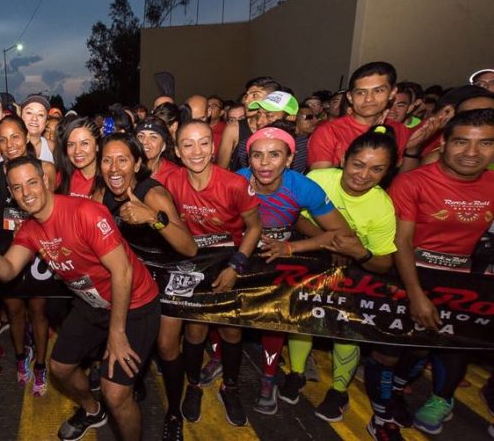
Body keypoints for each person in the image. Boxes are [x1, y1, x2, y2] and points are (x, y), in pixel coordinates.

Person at [0, 156, 161, 441]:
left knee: (116, 393)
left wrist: (116, 332)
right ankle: (92, 410)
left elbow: (122, 271)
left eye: (32, 182)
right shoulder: (31, 229)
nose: (26, 192)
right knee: (60, 367)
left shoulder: (85, 212)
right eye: (17, 187)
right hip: (92, 304)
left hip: (134, 303)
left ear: (45, 181)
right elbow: (7, 271)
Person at [376, 109, 494, 439]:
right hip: (413, 272)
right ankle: (385, 403)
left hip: (468, 279)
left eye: (485, 143)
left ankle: (435, 398)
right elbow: (402, 240)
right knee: (396, 346)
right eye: (461, 142)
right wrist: (415, 293)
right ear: (443, 142)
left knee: (453, 345)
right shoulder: (414, 181)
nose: (472, 153)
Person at [280, 127, 399, 425]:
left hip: (355, 272)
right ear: (344, 158)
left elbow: (385, 263)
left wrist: (358, 252)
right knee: (302, 318)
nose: (363, 174)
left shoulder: (383, 206)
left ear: (388, 171)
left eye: (376, 169)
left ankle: (339, 390)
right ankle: (296, 373)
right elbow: (294, 215)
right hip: (311, 260)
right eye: (358, 164)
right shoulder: (319, 179)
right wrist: (328, 239)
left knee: (345, 329)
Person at [235, 127, 350, 416]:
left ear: (289, 159)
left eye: (274, 155)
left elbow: (342, 233)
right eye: (257, 155)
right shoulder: (237, 181)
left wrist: (290, 249)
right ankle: (219, 364)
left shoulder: (303, 187)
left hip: (279, 255)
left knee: (276, 314)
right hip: (240, 254)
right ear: (248, 159)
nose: (264, 163)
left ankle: (269, 376)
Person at [96, 132, 198, 440]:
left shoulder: (151, 193)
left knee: (167, 345)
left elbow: (189, 247)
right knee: (123, 333)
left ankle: (174, 412)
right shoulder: (103, 193)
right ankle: (134, 384)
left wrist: (153, 218)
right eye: (107, 160)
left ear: (138, 163)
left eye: (123, 160)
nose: (114, 168)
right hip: (136, 276)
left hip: (169, 271)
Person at [161, 120, 262, 427]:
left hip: (228, 263)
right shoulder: (170, 182)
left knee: (232, 331)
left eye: (204, 143)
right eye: (188, 144)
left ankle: (230, 388)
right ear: (178, 151)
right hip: (192, 264)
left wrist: (236, 266)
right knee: (195, 332)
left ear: (214, 146)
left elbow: (255, 226)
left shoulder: (233, 184)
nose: (197, 151)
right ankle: (194, 385)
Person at [0, 115, 57, 397]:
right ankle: (19, 357)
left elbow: (53, 212)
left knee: (38, 312)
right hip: (7, 252)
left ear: (27, 136)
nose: (9, 144)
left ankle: (40, 365)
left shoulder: (46, 170)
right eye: (2, 139)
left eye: (15, 136)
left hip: (38, 252)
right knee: (14, 310)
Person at [308, 61, 411, 170]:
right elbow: (320, 181)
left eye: (378, 90)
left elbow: (403, 180)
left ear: (392, 93)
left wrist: (413, 151)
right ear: (350, 97)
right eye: (361, 92)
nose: (369, 99)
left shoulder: (399, 130)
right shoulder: (328, 132)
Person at [217, 76, 281, 170]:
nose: (246, 101)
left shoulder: (281, 128)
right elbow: (221, 170)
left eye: (255, 95)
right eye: (247, 96)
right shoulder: (234, 128)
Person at [54, 117, 101, 198]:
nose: (77, 151)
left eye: (84, 143)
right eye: (71, 144)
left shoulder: (108, 179)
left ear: (97, 146)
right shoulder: (61, 179)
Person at [135, 117, 181, 185]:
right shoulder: (128, 169)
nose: (144, 142)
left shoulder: (175, 173)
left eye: (153, 137)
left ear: (164, 145)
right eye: (141, 136)